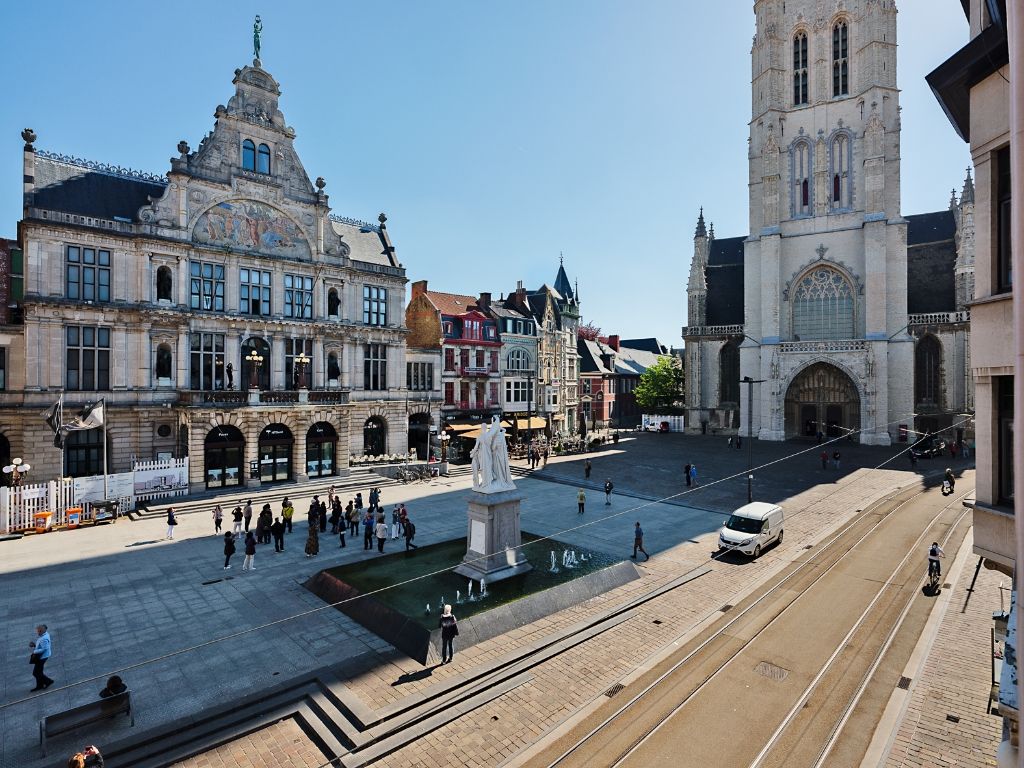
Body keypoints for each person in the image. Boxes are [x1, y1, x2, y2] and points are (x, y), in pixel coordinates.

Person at [29, 623, 53, 691]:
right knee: (38, 672)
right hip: (43, 656)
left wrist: (34, 652)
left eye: (38, 631)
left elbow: (44, 649)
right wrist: (35, 645)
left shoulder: (44, 638)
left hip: (42, 657)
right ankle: (40, 685)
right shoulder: (44, 635)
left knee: (36, 673)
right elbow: (41, 646)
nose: (37, 632)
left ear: (41, 631)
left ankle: (48, 681)